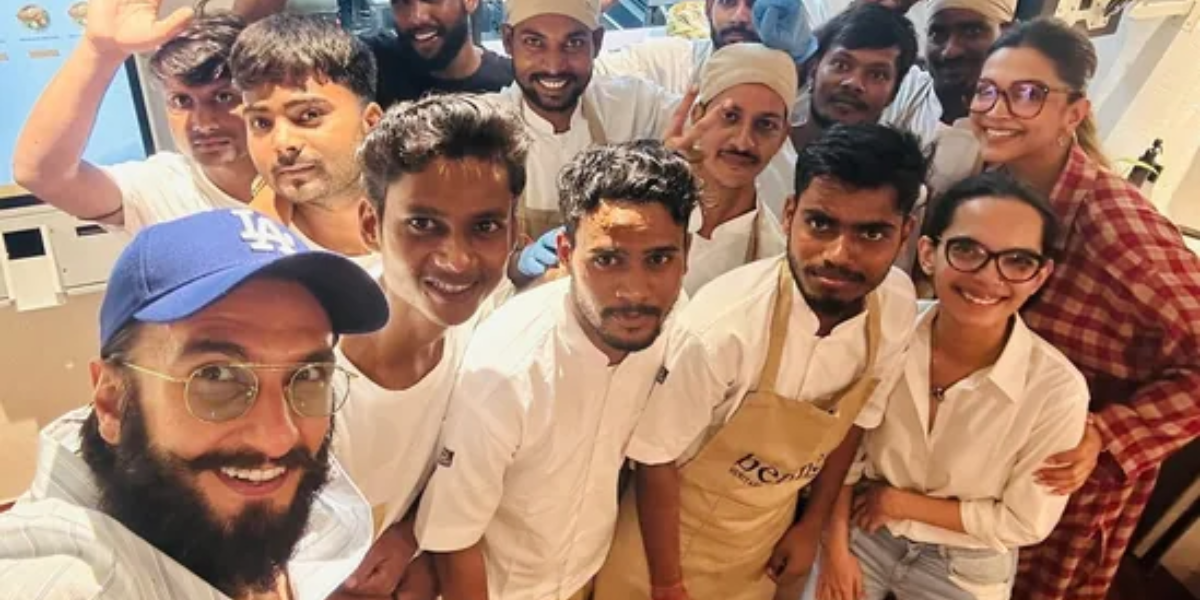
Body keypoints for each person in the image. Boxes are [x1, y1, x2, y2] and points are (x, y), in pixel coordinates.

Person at [593, 123, 926, 600]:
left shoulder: (894, 304)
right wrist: (667, 585)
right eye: (820, 224)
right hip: (661, 547)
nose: (838, 254)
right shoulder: (725, 327)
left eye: (871, 233)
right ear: (790, 214)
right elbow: (656, 461)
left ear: (905, 232)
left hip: (762, 546)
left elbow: (856, 421)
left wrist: (812, 525)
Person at [0, 208, 390, 599]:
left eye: (308, 376)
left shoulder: (229, 481)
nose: (278, 438)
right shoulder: (74, 578)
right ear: (112, 403)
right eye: (216, 377)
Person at [965, 19, 1200, 600]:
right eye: (988, 90)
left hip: (1064, 478)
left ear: (1074, 112)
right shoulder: (997, 182)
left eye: (1028, 93)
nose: (997, 109)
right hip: (986, 452)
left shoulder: (1115, 222)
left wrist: (1106, 434)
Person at [415, 140, 699, 600]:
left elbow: (652, 454)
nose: (635, 290)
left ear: (685, 253)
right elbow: (454, 538)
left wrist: (667, 584)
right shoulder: (507, 372)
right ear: (566, 252)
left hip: (586, 576)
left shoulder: (667, 321)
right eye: (607, 259)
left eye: (659, 260)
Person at [808, 172, 1089, 600]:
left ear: (1040, 275)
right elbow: (842, 448)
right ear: (927, 253)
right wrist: (834, 547)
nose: (988, 277)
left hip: (967, 561)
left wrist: (901, 504)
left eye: (1017, 261)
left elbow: (1026, 522)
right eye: (967, 250)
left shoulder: (1056, 390)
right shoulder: (886, 332)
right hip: (862, 530)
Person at [329, 95, 529, 599]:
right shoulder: (306, 373)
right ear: (371, 225)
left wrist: (409, 533)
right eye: (423, 225)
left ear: (514, 231)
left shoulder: (480, 333)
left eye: (484, 227)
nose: (458, 260)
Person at [13, 0, 255, 233]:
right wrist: (99, 51)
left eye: (223, 97)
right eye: (182, 101)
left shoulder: (291, 181)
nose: (204, 122)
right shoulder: (163, 188)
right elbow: (42, 175)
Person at [490, 0, 680, 248]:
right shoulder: (481, 129)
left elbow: (709, 120)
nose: (554, 66)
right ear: (507, 41)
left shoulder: (636, 105)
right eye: (534, 42)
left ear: (598, 42)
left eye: (574, 43)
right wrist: (518, 268)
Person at [229, 14, 383, 266]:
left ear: (372, 123)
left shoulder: (443, 228)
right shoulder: (248, 266)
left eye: (309, 115)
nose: (282, 142)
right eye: (261, 123)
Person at [232, 0, 515, 107]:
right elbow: (249, 47)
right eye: (402, 2)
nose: (417, 16)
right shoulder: (371, 62)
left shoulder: (509, 83)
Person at [676, 43, 796, 295]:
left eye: (765, 125)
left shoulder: (776, 259)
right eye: (729, 117)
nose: (743, 142)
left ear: (783, 136)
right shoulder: (641, 211)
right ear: (697, 116)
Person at [926, 0, 1016, 124]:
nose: (950, 52)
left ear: (1009, 34)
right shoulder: (906, 93)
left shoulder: (1027, 124)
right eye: (937, 34)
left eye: (972, 32)